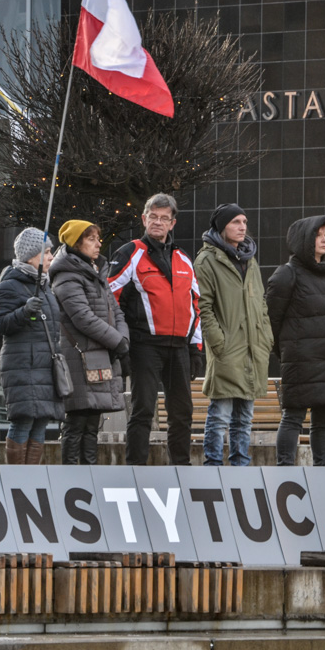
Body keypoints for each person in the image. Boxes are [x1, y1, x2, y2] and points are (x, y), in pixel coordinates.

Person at [108, 193, 203, 466]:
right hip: (144, 346)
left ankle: (181, 469)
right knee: (143, 411)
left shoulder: (183, 258)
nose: (158, 223)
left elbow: (195, 306)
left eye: (164, 218)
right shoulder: (130, 252)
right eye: (153, 217)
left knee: (182, 413)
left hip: (180, 348)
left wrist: (196, 348)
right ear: (144, 219)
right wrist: (120, 344)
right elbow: (110, 299)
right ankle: (135, 471)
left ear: (173, 223)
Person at [193, 203, 273, 467]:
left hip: (252, 347)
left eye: (244, 221)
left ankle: (241, 465)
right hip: (227, 347)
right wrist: (218, 342)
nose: (242, 227)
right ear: (222, 226)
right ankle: (213, 465)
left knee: (245, 416)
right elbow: (203, 305)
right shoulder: (207, 260)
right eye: (236, 222)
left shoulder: (249, 259)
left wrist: (266, 336)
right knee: (220, 414)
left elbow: (260, 302)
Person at [266, 215, 325, 467]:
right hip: (301, 360)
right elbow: (270, 322)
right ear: (304, 238)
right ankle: (285, 472)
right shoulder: (286, 275)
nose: (324, 240)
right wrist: (289, 352)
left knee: (324, 422)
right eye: (318, 235)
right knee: (293, 417)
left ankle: (323, 475)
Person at [49, 219, 129, 465]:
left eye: (98, 238)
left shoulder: (95, 272)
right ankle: (73, 480)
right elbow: (83, 318)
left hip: (98, 356)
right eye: (91, 239)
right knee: (76, 422)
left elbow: (115, 310)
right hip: (79, 359)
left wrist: (123, 337)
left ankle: (90, 477)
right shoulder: (67, 276)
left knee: (92, 422)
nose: (98, 244)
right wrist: (117, 341)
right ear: (76, 243)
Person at [0, 228, 65, 464]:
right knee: (23, 421)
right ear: (31, 256)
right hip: (23, 365)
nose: (51, 256)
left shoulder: (45, 285)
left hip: (44, 366)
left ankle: (31, 480)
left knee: (41, 423)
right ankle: (17, 480)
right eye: (47, 251)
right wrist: (24, 312)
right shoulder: (10, 284)